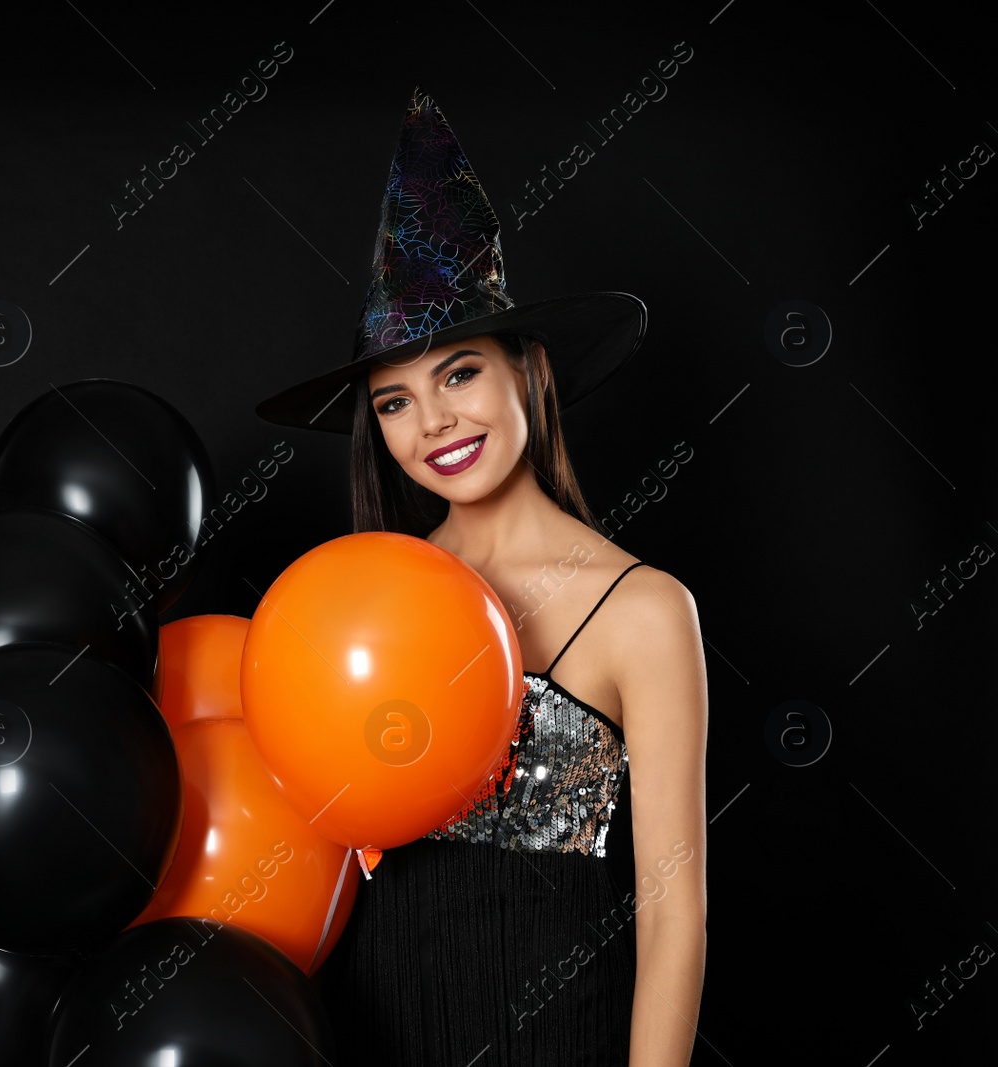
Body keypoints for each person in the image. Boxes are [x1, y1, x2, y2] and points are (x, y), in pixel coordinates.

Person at [254, 87, 708, 1065]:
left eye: (458, 373)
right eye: (393, 401)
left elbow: (675, 913)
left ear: (528, 373)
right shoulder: (367, 594)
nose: (434, 424)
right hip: (378, 1023)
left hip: (559, 1028)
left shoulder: (644, 609)